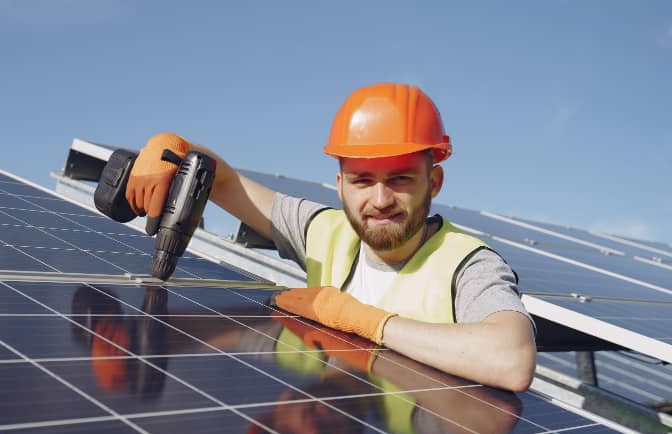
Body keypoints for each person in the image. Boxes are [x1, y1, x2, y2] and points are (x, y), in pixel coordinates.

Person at [124, 82, 536, 392]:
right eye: (362, 181)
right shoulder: (324, 230)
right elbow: (226, 183)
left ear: (435, 182)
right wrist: (173, 147)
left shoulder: (466, 263)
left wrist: (363, 320)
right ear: (340, 186)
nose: (380, 200)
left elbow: (511, 359)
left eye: (400, 179)